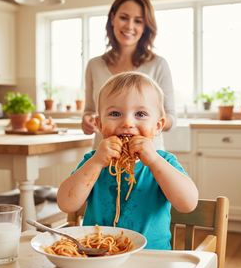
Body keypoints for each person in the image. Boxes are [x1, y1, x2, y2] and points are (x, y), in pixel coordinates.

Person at [57, 72, 198, 250]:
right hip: (98, 255)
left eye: (140, 114)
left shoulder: (164, 161)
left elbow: (188, 204)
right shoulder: (93, 162)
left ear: (157, 126)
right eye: (115, 113)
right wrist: (96, 162)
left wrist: (154, 161)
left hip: (152, 259)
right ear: (100, 125)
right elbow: (65, 204)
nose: (127, 122)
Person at [81, 0, 176, 150]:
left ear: (146, 26)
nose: (129, 26)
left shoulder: (158, 64)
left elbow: (171, 117)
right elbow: (90, 110)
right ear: (112, 18)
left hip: (147, 160)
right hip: (104, 156)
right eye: (124, 18)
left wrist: (143, 123)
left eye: (138, 21)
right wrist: (87, 120)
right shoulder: (94, 65)